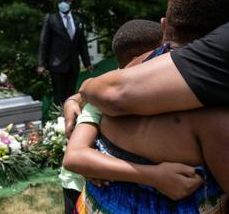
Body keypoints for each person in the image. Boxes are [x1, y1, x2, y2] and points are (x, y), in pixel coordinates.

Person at [65, 0, 229, 213]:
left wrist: (82, 91)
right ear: (225, 34)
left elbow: (76, 152)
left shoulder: (121, 78)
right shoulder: (220, 118)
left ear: (164, 25)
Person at [58, 19, 163, 214]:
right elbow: (75, 157)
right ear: (136, 58)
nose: (167, 58)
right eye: (161, 52)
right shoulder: (108, 95)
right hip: (79, 184)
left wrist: (71, 100)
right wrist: (155, 175)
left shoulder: (123, 84)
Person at [37, 0, 93, 105]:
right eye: (60, 1)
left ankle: (71, 119)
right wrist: (41, 64)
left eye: (65, 1)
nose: (63, 3)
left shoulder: (77, 20)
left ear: (70, 2)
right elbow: (44, 42)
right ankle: (59, 120)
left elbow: (82, 43)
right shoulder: (51, 19)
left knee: (71, 95)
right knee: (59, 96)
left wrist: (87, 63)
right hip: (57, 65)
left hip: (73, 65)